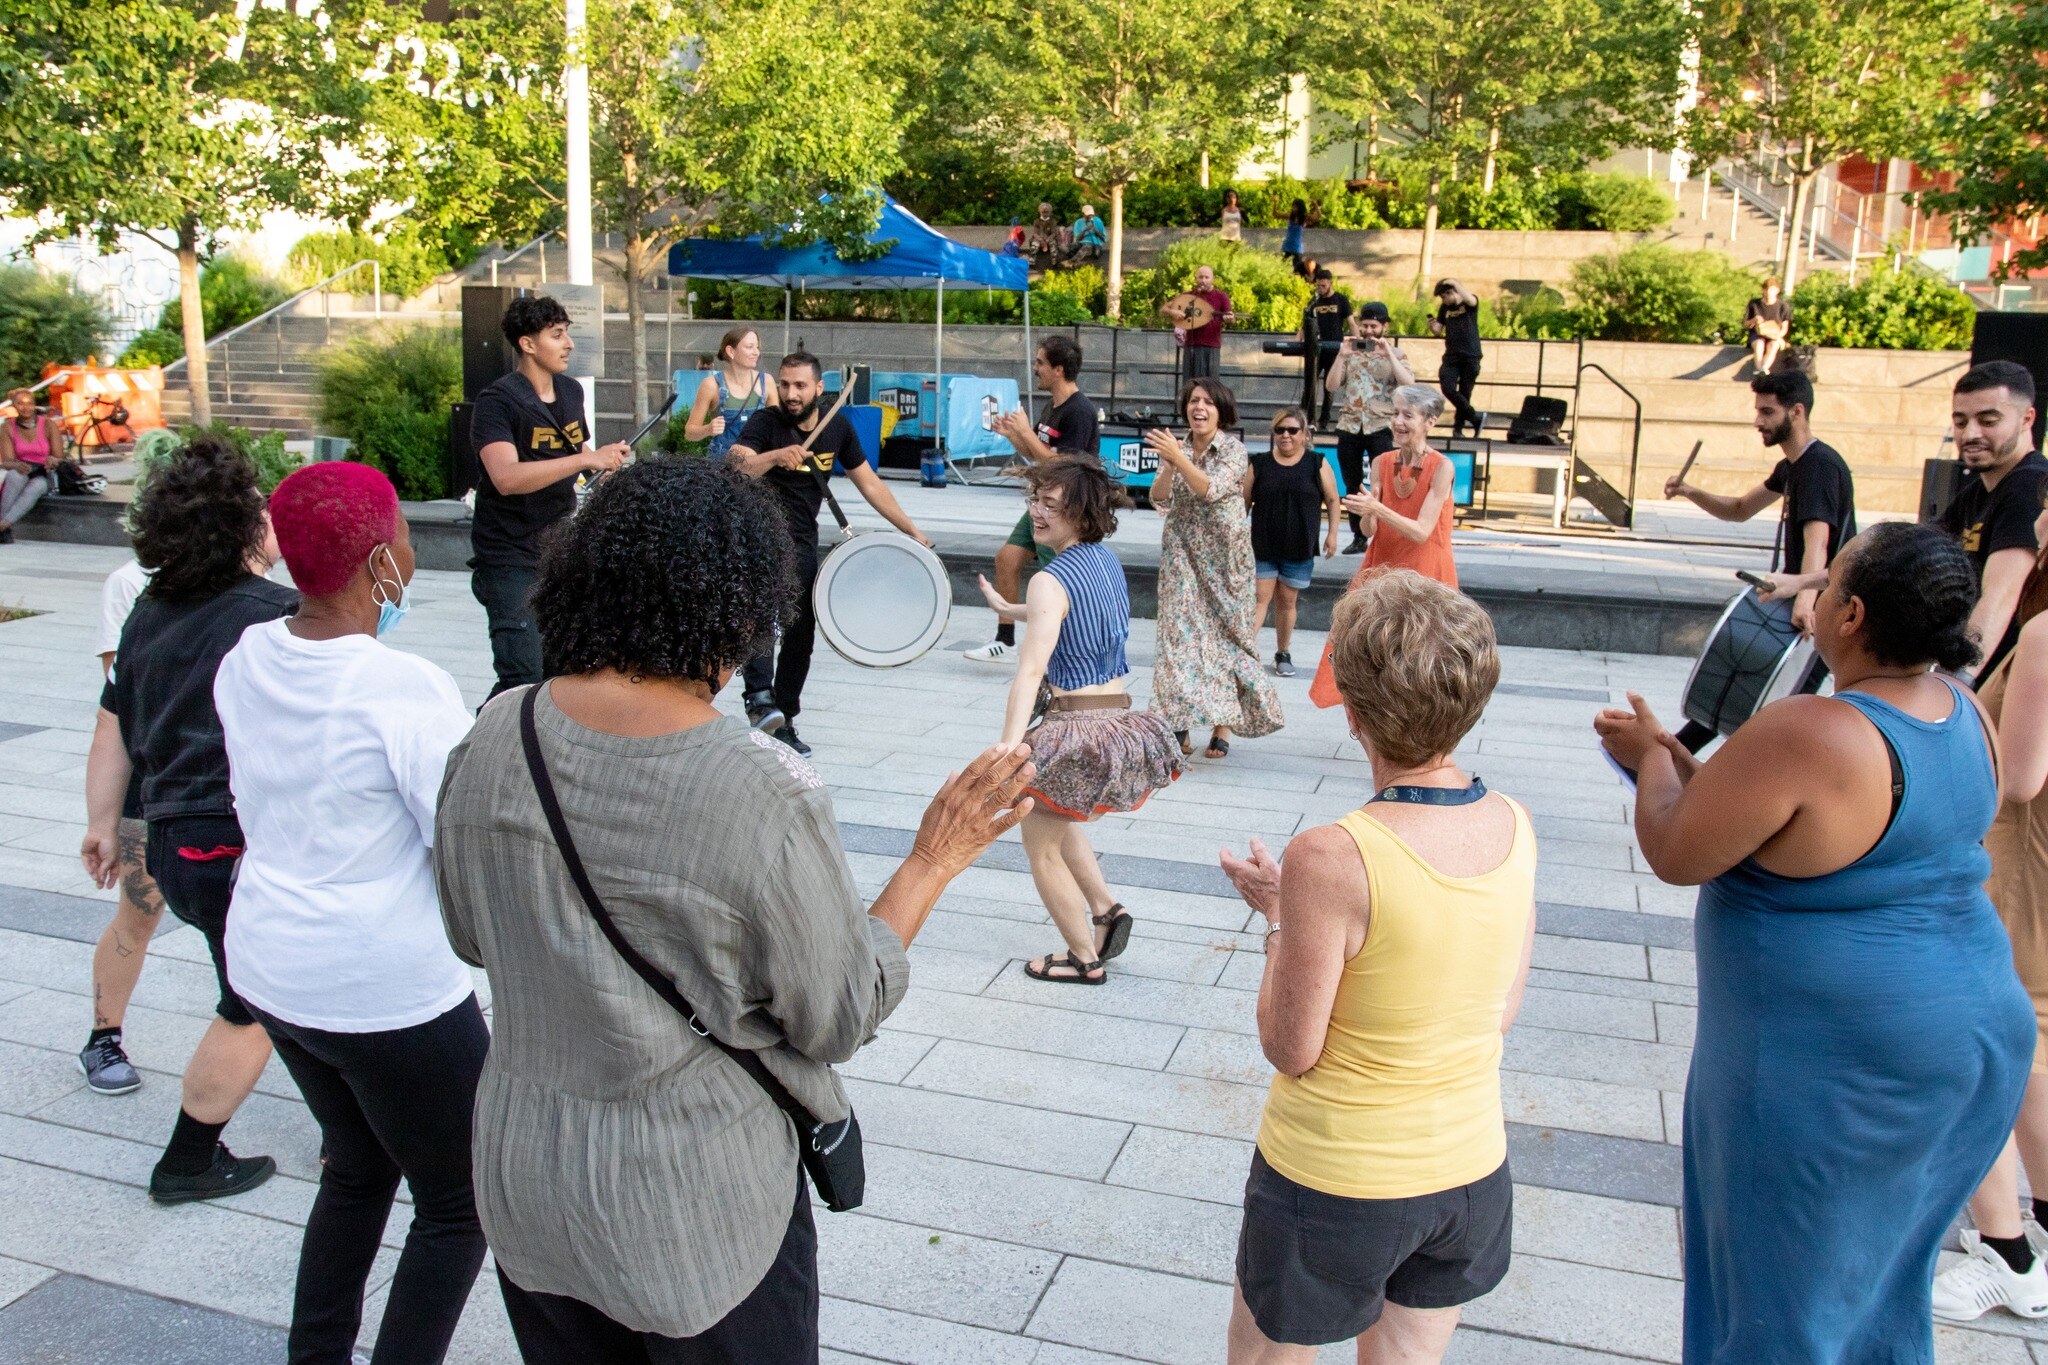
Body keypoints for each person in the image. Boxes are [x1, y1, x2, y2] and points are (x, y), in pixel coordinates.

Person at [434, 458, 1035, 1361]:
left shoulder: (494, 729)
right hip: (692, 1210)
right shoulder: (758, 785)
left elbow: (468, 932)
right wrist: (931, 859)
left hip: (529, 1189)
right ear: (738, 608)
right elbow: (837, 1013)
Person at [1594, 521, 2031, 1363]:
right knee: (1877, 1289)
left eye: (1828, 586)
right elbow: (1777, 822)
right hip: (1971, 1037)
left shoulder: (1813, 729)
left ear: (1853, 614)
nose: (1817, 598)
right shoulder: (1964, 708)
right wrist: (1671, 757)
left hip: (1839, 1069)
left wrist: (1649, 761)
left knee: (1781, 1307)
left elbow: (1678, 849)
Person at [1218, 570, 1536, 1365]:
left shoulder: (1332, 855)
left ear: (1354, 713)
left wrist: (1280, 917)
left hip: (1336, 1178)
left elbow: (1292, 1047)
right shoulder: (1514, 823)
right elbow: (1498, 1010)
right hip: (1469, 1171)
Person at [216, 461, 486, 1364]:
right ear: (380, 562)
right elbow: (458, 834)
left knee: (359, 1164)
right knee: (462, 1201)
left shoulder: (248, 655)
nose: (411, 548)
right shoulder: (400, 686)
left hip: (270, 964)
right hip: (382, 988)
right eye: (403, 532)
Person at [79, 436, 294, 1204]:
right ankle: (188, 1160)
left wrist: (103, 822)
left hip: (174, 840)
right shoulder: (276, 617)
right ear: (243, 527)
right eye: (261, 508)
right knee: (252, 1003)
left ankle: (347, 1128)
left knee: (265, 991)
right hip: (240, 843)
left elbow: (112, 726)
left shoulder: (148, 615)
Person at [976, 460, 1181, 985]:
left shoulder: (1049, 578)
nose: (1037, 512)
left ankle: (1083, 960)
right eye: (1035, 500)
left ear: (1081, 512)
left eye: (1051, 504)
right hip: (1118, 721)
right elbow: (1070, 612)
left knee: (1040, 846)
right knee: (1058, 816)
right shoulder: (1104, 560)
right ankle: (1105, 909)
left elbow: (1030, 673)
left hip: (1072, 729)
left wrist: (1007, 751)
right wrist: (1010, 608)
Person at [1934, 496, 2048, 1322]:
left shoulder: (2045, 634)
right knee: (2030, 1055)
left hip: (2022, 870)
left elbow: (2020, 774)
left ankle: (2009, 1252)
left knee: (1988, 1056)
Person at [727, 350, 933, 754]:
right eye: (785, 384)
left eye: (800, 386)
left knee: (800, 633)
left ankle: (785, 717)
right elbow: (737, 466)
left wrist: (912, 531)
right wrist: (774, 456)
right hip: (758, 538)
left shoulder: (836, 427)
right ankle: (760, 700)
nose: (791, 394)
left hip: (802, 542)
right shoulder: (766, 422)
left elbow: (870, 483)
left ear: (819, 388)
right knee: (760, 619)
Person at [1663, 369, 1856, 748]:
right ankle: (1669, 756)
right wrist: (1689, 491)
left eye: (1767, 412)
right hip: (1805, 597)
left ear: (1796, 411)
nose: (1758, 421)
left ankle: (1677, 758)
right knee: (1744, 688)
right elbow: (1739, 509)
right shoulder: (1792, 467)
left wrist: (1805, 601)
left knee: (1779, 709)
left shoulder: (1819, 466)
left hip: (1825, 606)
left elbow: (1818, 541)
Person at [468, 295, 633, 697]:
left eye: (567, 334)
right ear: (527, 344)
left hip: (559, 550)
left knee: (564, 672)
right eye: (557, 335)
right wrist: (585, 459)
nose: (569, 344)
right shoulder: (497, 402)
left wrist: (602, 468)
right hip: (508, 553)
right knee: (521, 676)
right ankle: (485, 735)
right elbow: (506, 478)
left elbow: (576, 454)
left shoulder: (571, 392)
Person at [1146, 378, 1284, 760]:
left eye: (1207, 402)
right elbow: (1159, 498)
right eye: (1193, 401)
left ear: (1221, 411)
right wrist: (1169, 466)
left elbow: (1209, 489)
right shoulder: (1177, 448)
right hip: (1182, 556)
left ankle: (1223, 725)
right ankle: (1178, 724)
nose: (1199, 408)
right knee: (1177, 638)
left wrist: (1179, 459)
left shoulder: (1234, 451)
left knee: (1228, 641)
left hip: (1226, 564)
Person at [1308, 387, 1459, 711]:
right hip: (1383, 565)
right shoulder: (1381, 462)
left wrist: (1378, 508)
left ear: (1430, 421)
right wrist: (1368, 513)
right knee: (1366, 649)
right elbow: (1368, 530)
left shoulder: (1442, 467)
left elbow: (1421, 531)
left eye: (1407, 415)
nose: (1398, 422)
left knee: (1421, 657)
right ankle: (1377, 718)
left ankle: (1415, 720)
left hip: (1426, 571)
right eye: (1395, 413)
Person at [965, 335, 1101, 664]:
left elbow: (1067, 466)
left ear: (1058, 369)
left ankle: (1068, 644)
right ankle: (1005, 640)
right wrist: (1014, 435)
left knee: (1056, 577)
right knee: (1006, 559)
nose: (1035, 368)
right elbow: (1037, 453)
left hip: (1065, 510)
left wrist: (1026, 432)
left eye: (1040, 362)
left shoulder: (1079, 412)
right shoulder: (1052, 407)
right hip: (1044, 502)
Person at [77, 554, 158, 1095]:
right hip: (154, 782)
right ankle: (103, 1036)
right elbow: (118, 704)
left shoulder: (264, 594)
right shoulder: (132, 585)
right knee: (138, 912)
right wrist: (102, 821)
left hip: (234, 792)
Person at [1942, 361, 2044, 685]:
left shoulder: (2031, 487)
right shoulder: (1977, 493)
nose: (1970, 434)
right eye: (1960, 422)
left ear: (2027, 419)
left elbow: (2001, 595)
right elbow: (1909, 556)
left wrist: (1956, 683)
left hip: (2018, 682)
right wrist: (1810, 581)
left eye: (1988, 421)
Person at [1247, 407, 1340, 678]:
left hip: (1299, 545)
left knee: (1287, 602)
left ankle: (1283, 652)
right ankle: (1244, 653)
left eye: (1292, 430)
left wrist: (1332, 534)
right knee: (1259, 599)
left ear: (1304, 434)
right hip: (1263, 544)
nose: (1286, 435)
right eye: (1280, 430)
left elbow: (1333, 499)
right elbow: (1243, 501)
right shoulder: (1259, 463)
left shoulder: (1316, 463)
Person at [1324, 302, 1413, 555]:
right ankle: (1359, 535)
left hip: (1380, 424)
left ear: (1385, 326)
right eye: (1365, 326)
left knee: (1384, 481)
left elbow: (1408, 384)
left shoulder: (1397, 354)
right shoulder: (1351, 352)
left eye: (1374, 326)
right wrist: (1342, 355)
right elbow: (1331, 386)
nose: (1369, 331)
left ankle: (1386, 533)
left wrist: (1388, 355)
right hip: (1350, 424)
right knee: (1352, 483)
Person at [683, 325, 777, 463]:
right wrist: (708, 429)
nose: (756, 352)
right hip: (722, 467)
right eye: (749, 347)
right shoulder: (711, 385)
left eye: (757, 347)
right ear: (731, 351)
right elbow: (689, 433)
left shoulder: (767, 382)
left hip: (757, 464)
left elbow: (777, 427)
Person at [0, 386, 58, 542]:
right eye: (20, 403)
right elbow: (6, 461)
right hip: (22, 469)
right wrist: (16, 465)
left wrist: (53, 460)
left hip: (44, 473)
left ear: (34, 404)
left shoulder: (48, 425)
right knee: (14, 477)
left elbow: (59, 456)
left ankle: (2, 526)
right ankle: (4, 530)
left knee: (37, 487)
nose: (26, 408)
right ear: (14, 406)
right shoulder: (7, 427)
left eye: (29, 403)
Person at [1428, 280, 1483, 437]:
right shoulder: (1444, 308)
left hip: (1471, 355)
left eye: (1444, 296)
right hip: (1452, 356)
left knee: (1465, 392)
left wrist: (1452, 281)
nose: (1443, 300)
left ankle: (1458, 429)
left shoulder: (1469, 303)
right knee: (1447, 387)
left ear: (1451, 292)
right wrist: (1431, 325)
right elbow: (1438, 330)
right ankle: (1475, 418)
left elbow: (1470, 299)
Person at [1296, 270, 1352, 424]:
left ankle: (1324, 421)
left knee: (1329, 387)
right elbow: (1305, 325)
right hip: (1316, 348)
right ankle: (1304, 418)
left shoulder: (1341, 300)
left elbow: (1351, 322)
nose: (1320, 288)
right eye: (1318, 286)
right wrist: (1296, 343)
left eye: (1323, 286)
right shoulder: (1314, 301)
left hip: (1334, 349)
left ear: (1330, 283)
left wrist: (1358, 343)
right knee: (1310, 384)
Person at [1177, 264, 1233, 384]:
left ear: (1212, 279)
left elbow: (1230, 317)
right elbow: (1177, 314)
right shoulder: (1188, 296)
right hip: (1191, 346)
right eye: (1200, 277)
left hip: (1211, 346)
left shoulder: (1221, 297)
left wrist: (1229, 319)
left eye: (1207, 277)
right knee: (1190, 384)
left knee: (1210, 385)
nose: (1203, 280)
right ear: (1196, 278)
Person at [1744, 278, 1792, 377]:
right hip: (1757, 334)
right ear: (1763, 290)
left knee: (1773, 345)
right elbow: (1745, 323)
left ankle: (1763, 369)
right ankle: (1760, 370)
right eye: (1766, 289)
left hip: (1774, 335)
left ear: (1777, 290)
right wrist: (1754, 320)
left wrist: (1777, 337)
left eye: (1772, 289)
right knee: (1759, 344)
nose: (1769, 292)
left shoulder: (1783, 306)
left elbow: (1784, 328)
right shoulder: (1754, 304)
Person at [1024, 202, 1067, 270]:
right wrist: (1041, 240)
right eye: (1043, 212)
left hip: (1049, 239)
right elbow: (1035, 233)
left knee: (1053, 246)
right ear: (1040, 212)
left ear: (1050, 212)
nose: (1045, 214)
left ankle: (1054, 263)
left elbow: (1053, 233)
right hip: (1039, 239)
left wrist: (1047, 240)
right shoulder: (1037, 221)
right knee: (1034, 245)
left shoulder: (1052, 221)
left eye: (1046, 212)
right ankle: (1032, 263)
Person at [1282, 200, 1307, 276]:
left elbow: (1317, 217)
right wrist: (1275, 203)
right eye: (1293, 206)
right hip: (1287, 246)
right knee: (1284, 267)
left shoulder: (1304, 218)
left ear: (1300, 208)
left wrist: (1316, 206)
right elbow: (1276, 214)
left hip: (1297, 247)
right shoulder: (1290, 216)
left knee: (1297, 269)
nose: (1293, 208)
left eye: (1295, 207)